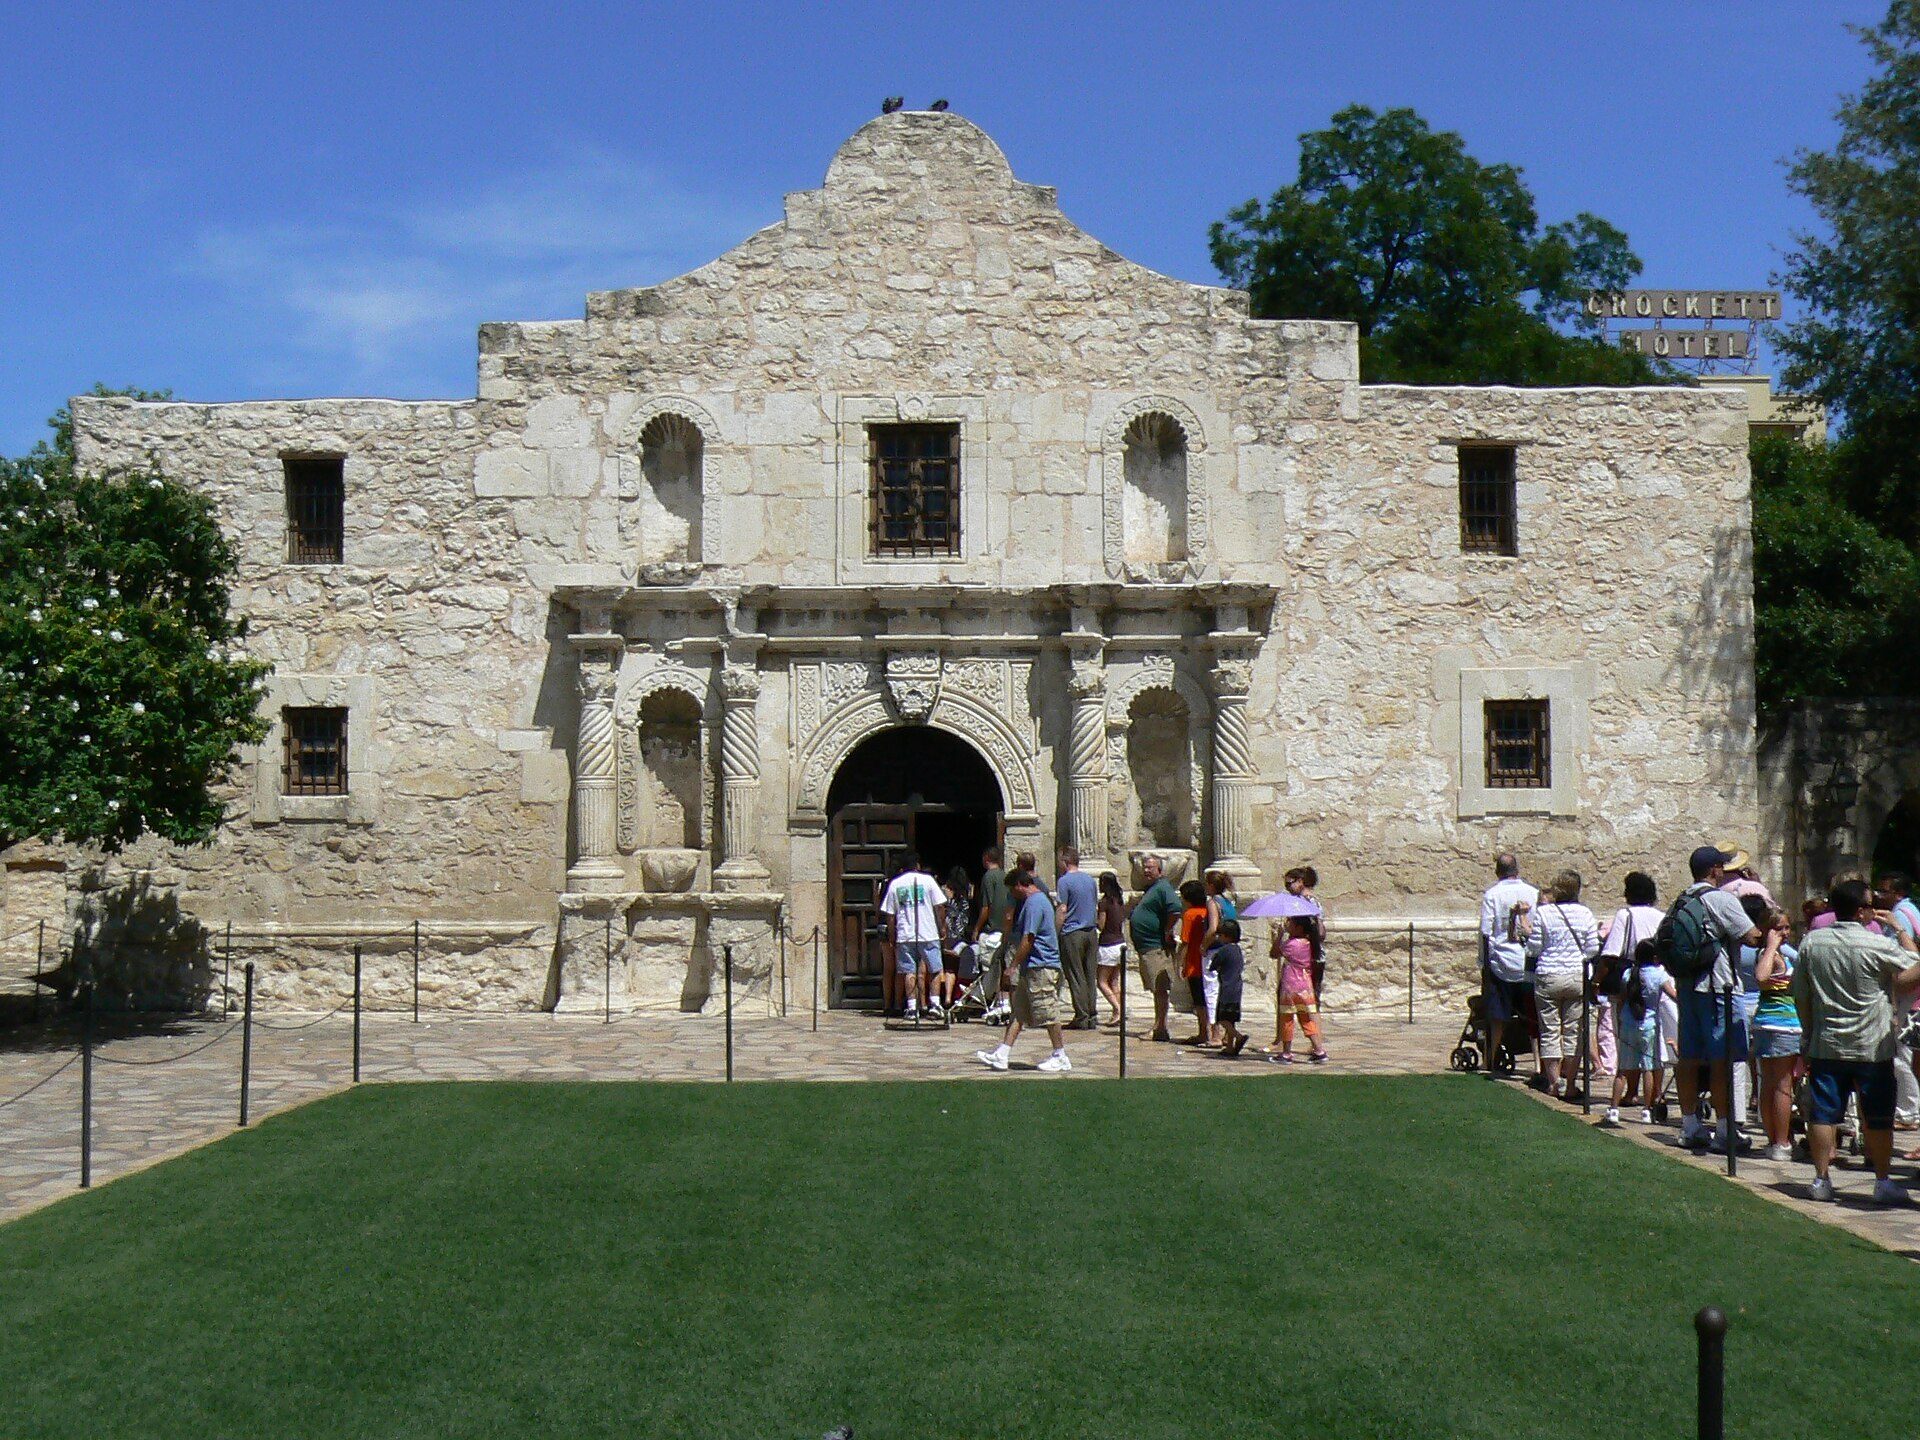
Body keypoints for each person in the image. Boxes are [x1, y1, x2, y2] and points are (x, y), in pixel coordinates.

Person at [1789, 878, 1920, 1203]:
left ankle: (1821, 1179)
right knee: (1877, 1114)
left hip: (1827, 1040)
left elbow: (1800, 994)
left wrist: (1808, 1031)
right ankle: (1882, 1179)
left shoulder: (1811, 942)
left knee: (1823, 1113)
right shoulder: (1876, 943)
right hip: (1871, 1043)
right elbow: (1912, 970)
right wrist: (1902, 932)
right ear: (1862, 911)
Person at [1670, 845, 1769, 1153]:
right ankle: (1726, 1129)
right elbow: (1751, 936)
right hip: (1719, 987)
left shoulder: (1681, 900)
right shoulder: (1721, 899)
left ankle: (1690, 1125)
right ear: (1714, 870)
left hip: (1688, 986)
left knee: (1689, 1058)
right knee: (1722, 1059)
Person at [974, 869, 1072, 1073]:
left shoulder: (1035, 903)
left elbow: (1029, 938)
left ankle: (1060, 1055)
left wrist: (1012, 966)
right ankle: (1003, 1053)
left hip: (1042, 965)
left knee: (1048, 1011)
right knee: (1018, 1012)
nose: (1012, 894)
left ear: (1020, 885)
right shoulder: (1033, 902)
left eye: (1012, 889)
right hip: (1032, 966)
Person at [1518, 869, 1601, 1102]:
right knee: (1574, 1031)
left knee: (1550, 1030)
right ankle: (1571, 1084)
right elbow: (1593, 948)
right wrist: (1577, 955)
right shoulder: (1585, 913)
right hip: (1576, 974)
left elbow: (1533, 948)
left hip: (1548, 975)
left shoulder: (1545, 913)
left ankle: (1554, 1082)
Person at [1598, 873, 1665, 1107]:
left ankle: (1632, 1091)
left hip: (1632, 978)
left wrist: (1596, 981)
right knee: (1655, 1039)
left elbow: (1612, 952)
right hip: (1658, 977)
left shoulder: (1625, 915)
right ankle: (1656, 1093)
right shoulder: (1661, 917)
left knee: (1628, 1037)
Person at [1748, 901, 1801, 1162]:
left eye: (1787, 927)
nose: (1784, 933)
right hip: (1781, 1026)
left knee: (1770, 1084)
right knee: (1781, 1086)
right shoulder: (1769, 955)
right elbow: (1760, 976)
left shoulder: (1784, 953)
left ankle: (1775, 1140)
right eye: (1778, 929)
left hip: (1771, 1025)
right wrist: (1770, 946)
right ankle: (1781, 1141)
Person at [1478, 853, 1539, 1077]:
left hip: (1502, 960)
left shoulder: (1493, 895)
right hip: (1526, 961)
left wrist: (1485, 961)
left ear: (1497, 871)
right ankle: (1538, 1064)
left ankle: (1490, 1059)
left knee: (1498, 1016)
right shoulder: (1532, 893)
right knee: (1533, 1017)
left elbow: (1486, 931)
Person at [1602, 940, 1674, 1127]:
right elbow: (1673, 995)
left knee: (1623, 1070)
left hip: (1628, 1023)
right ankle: (1646, 1110)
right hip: (1648, 1024)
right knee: (1647, 1068)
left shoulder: (1628, 973)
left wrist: (1619, 1020)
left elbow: (1622, 999)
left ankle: (1614, 1109)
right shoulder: (1658, 974)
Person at [879, 852, 946, 1022]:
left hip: (905, 934)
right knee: (935, 969)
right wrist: (942, 927)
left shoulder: (895, 884)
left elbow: (890, 915)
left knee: (909, 971)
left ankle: (911, 1007)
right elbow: (940, 906)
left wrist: (892, 935)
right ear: (917, 865)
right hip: (928, 932)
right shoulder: (929, 880)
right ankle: (935, 1004)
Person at [1129, 855, 1182, 1042]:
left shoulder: (1163, 888)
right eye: (1144, 867)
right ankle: (1159, 1026)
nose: (1146, 870)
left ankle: (1159, 1027)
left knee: (1160, 989)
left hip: (1156, 947)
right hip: (1147, 947)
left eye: (1150, 867)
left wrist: (1167, 929)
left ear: (1160, 870)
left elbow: (1175, 909)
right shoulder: (1152, 889)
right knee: (1156, 989)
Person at [1267, 914, 1328, 1063]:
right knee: (1306, 1019)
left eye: (1291, 923)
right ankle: (1319, 1050)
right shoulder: (1309, 943)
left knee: (1287, 1019)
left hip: (1291, 987)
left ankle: (1286, 1053)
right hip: (1305, 987)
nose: (1288, 925)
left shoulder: (1292, 944)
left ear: (1298, 928)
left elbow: (1273, 953)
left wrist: (1280, 936)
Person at [1054, 847, 1101, 1030]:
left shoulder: (1064, 882)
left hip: (1073, 932)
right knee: (1090, 976)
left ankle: (1081, 1016)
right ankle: (1092, 1014)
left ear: (1065, 862)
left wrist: (1055, 932)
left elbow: (1062, 909)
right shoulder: (1090, 880)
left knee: (1075, 975)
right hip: (1090, 931)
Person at [971, 846, 1015, 1025]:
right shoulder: (1006, 876)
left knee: (990, 968)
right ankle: (1001, 1002)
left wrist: (976, 928)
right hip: (1004, 930)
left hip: (992, 931)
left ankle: (987, 1000)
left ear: (986, 858)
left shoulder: (989, 877)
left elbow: (985, 907)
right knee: (1000, 968)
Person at [1201, 870, 1238, 1044]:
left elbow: (1213, 928)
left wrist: (1203, 946)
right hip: (1230, 949)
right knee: (1227, 991)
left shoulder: (1213, 902)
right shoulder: (1228, 902)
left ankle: (1215, 1032)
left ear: (1211, 885)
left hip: (1215, 949)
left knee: (1211, 990)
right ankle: (1227, 1032)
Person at [1177, 879, 1212, 1046]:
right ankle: (1214, 1031)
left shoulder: (1190, 915)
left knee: (1199, 1001)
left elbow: (1185, 941)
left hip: (1194, 962)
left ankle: (1203, 1032)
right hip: (1208, 961)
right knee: (1210, 997)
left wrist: (1180, 963)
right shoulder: (1208, 912)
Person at [1284, 865, 1327, 1000]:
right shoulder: (1314, 901)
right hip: (1316, 955)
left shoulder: (1301, 903)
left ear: (1301, 881)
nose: (1287, 888)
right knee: (1312, 997)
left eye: (1289, 883)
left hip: (1304, 956)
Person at [1210, 918, 1249, 1056]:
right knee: (1231, 1018)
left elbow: (1213, 965)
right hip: (1237, 987)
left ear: (1226, 936)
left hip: (1226, 988)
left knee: (1222, 1018)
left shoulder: (1224, 950)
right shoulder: (1237, 950)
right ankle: (1230, 1046)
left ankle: (1238, 1037)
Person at [940, 866, 976, 1008]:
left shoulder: (945, 893)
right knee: (962, 967)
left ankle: (948, 998)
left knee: (949, 968)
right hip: (962, 934)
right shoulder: (967, 894)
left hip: (949, 934)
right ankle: (960, 998)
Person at [1095, 871, 1127, 1025]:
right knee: (1114, 981)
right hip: (1120, 943)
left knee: (1101, 982)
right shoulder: (1119, 900)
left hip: (1108, 944)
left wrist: (1095, 919)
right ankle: (1118, 1012)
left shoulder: (1104, 903)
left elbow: (1101, 925)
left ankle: (1118, 1009)